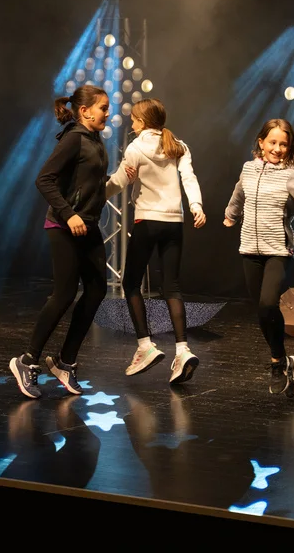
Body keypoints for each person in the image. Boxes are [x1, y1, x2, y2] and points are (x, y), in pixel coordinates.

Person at [9, 85, 116, 399]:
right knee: (65, 294)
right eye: (103, 108)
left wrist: (121, 179)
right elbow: (44, 179)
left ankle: (64, 362)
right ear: (85, 111)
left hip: (88, 226)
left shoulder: (94, 140)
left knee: (96, 290)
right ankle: (27, 360)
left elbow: (91, 186)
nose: (107, 113)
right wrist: (69, 214)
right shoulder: (74, 138)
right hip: (63, 225)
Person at [105, 98, 206, 385]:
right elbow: (189, 178)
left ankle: (145, 345)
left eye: (134, 120)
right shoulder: (178, 146)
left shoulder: (135, 148)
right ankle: (183, 350)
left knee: (130, 283)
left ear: (142, 122)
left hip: (147, 221)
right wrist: (196, 206)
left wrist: (91, 198)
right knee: (171, 286)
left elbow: (117, 183)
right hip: (174, 222)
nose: (131, 124)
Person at [224, 118, 294, 398]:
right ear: (261, 142)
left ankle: (277, 363)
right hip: (249, 249)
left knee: (267, 303)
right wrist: (231, 215)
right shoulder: (248, 169)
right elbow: (239, 194)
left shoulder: (291, 174)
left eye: (283, 144)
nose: (277, 149)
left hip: (278, 251)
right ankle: (283, 360)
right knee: (262, 312)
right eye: (272, 142)